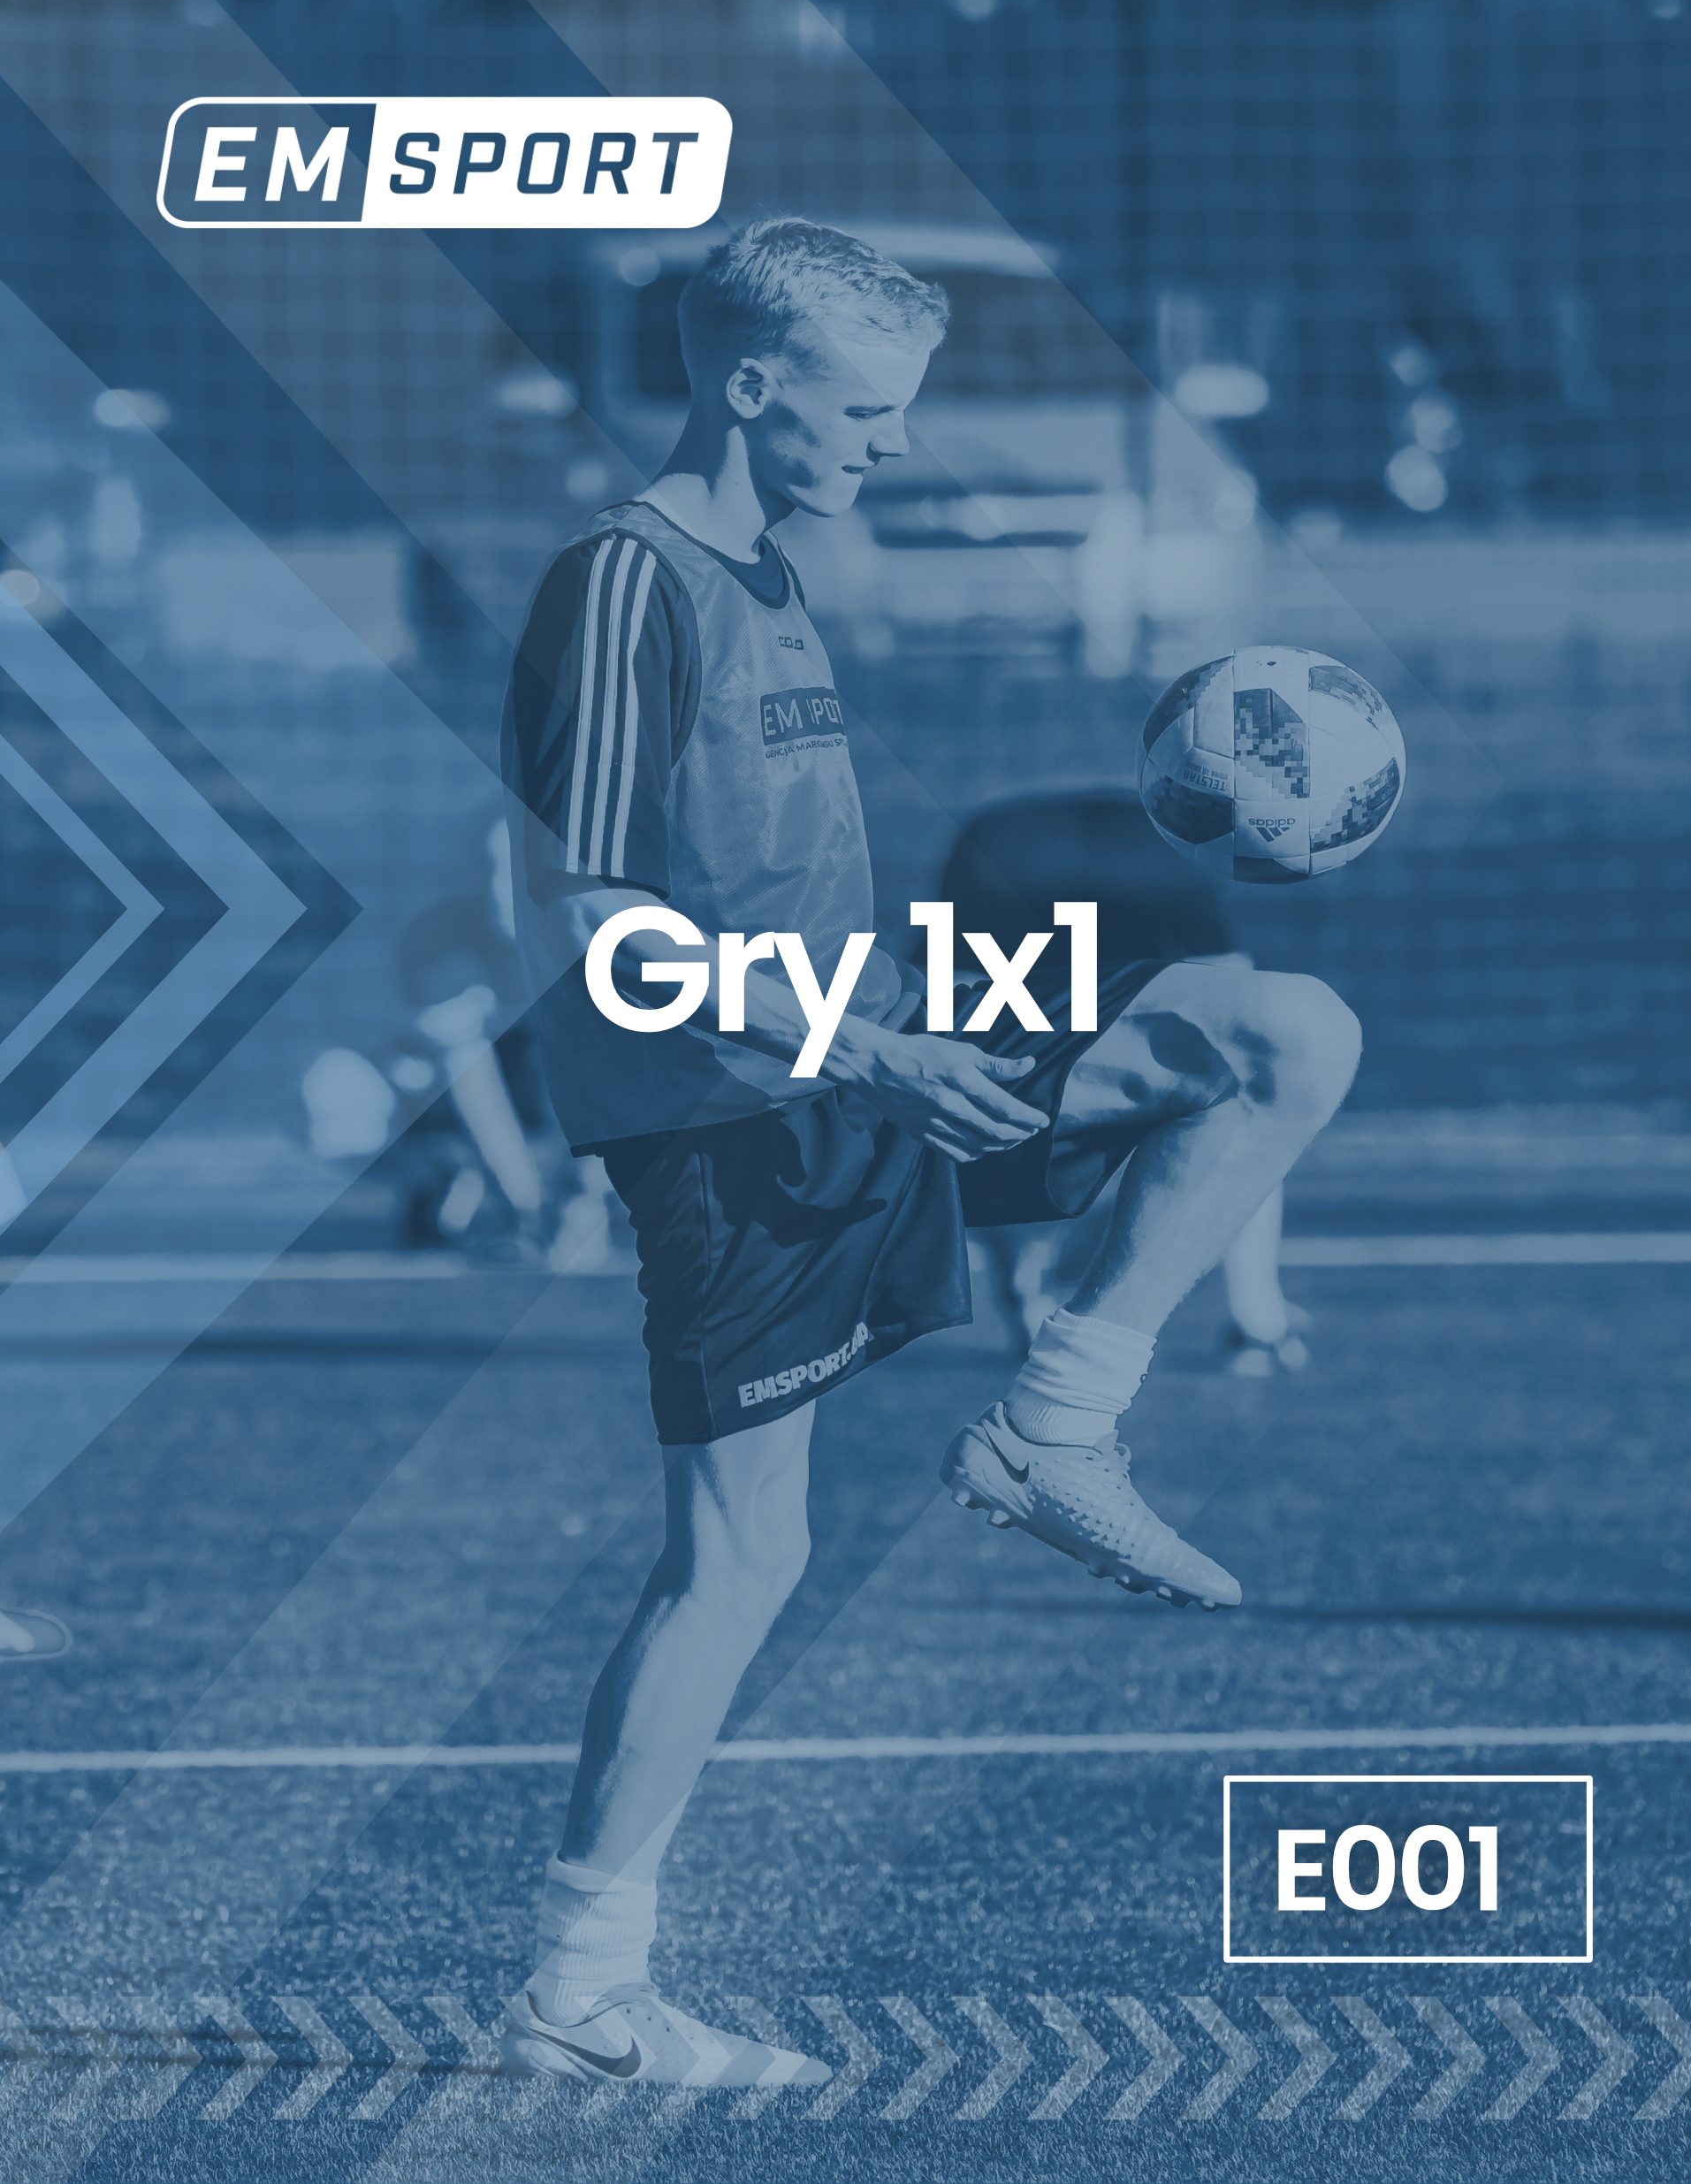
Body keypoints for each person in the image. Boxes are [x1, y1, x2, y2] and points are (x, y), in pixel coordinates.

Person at [499, 219, 1360, 2089]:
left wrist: (891, 1029)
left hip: (874, 1040)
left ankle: (1057, 1424)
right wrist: (864, 1049)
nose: (893, 442)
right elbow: (586, 924)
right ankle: (582, 1992)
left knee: (1279, 1031)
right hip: (735, 1117)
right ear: (751, 387)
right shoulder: (624, 581)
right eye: (865, 409)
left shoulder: (770, 567)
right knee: (741, 1560)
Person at [942, 791, 1312, 1373]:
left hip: (1002, 849)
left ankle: (1023, 1297)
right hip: (1145, 853)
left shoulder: (1000, 839)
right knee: (1243, 1088)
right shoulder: (1160, 855)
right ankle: (1258, 1323)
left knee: (988, 1089)